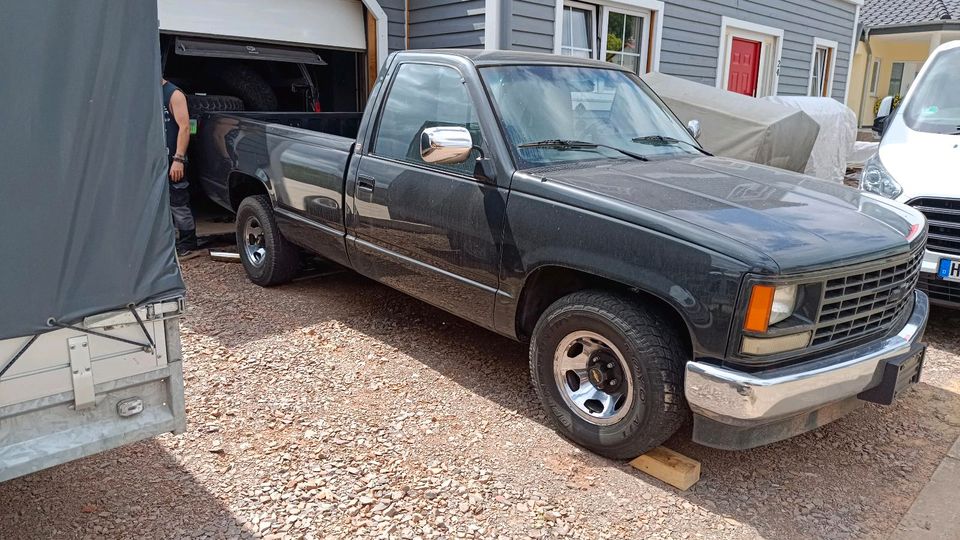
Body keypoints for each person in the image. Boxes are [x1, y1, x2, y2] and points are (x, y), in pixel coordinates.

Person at [161, 77, 198, 255]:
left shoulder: (174, 94)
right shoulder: (147, 94)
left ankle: (188, 244)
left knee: (178, 204)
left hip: (173, 161)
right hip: (155, 162)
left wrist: (179, 159)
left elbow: (185, 128)